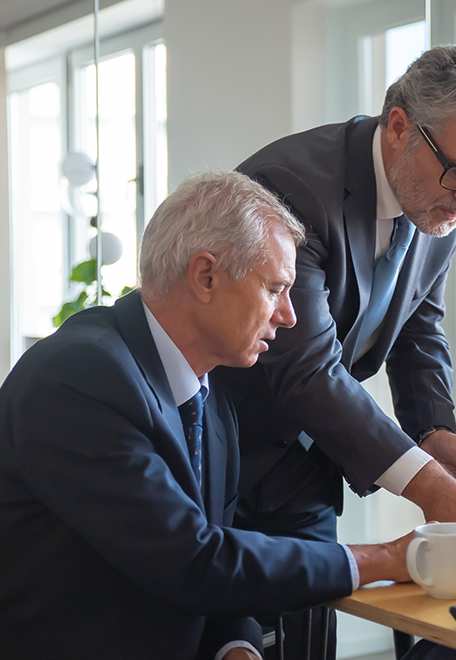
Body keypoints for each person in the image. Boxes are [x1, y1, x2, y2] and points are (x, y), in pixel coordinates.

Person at [0, 172, 414, 660]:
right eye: (276, 288)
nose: (289, 316)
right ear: (206, 276)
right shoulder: (78, 375)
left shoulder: (212, 397)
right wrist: (381, 559)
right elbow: (192, 560)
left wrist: (236, 647)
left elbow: (220, 556)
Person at [213, 45, 456, 554]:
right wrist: (427, 483)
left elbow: (418, 326)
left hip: (311, 455)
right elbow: (306, 369)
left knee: (312, 616)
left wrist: (432, 430)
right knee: (222, 627)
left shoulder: (442, 201)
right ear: (401, 126)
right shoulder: (292, 188)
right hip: (220, 449)